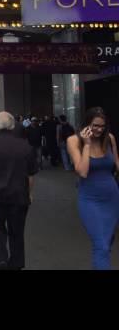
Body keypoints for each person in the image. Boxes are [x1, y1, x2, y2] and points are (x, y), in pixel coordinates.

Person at [0, 112, 38, 270]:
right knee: (17, 231)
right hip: (19, 195)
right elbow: (31, 175)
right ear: (13, 125)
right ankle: (17, 262)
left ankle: (1, 258)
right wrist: (30, 193)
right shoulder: (25, 146)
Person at [67, 107, 119, 270]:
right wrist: (87, 145)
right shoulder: (74, 140)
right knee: (101, 244)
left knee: (107, 240)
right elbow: (82, 171)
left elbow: (116, 164)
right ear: (87, 124)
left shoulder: (109, 138)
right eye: (95, 125)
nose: (99, 130)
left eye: (102, 126)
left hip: (112, 197)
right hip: (89, 199)